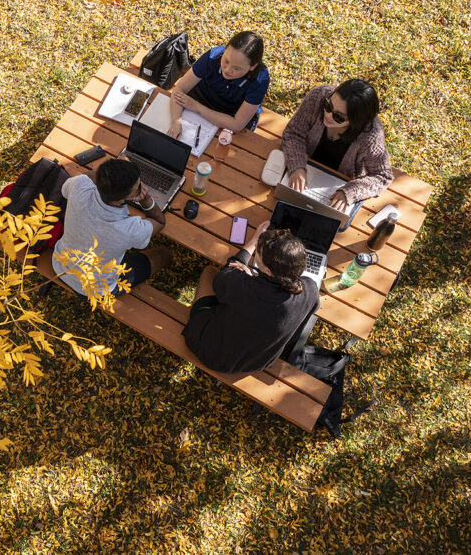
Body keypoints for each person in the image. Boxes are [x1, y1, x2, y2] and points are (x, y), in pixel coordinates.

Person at [181, 221, 318, 373]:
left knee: (210, 271)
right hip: (256, 362)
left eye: (258, 252)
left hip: (210, 352)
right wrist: (253, 280)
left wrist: (253, 242)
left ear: (268, 271)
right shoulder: (310, 291)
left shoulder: (242, 287)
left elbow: (221, 279)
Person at [52, 159, 171, 297]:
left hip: (60, 265)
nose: (142, 187)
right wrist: (145, 198)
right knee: (163, 253)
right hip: (95, 289)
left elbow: (67, 188)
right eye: (137, 189)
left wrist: (110, 172)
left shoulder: (79, 186)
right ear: (118, 201)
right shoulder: (130, 230)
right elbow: (160, 221)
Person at [280, 79, 394, 210]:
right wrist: (297, 166)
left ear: (356, 121)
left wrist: (349, 192)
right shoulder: (319, 96)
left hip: (335, 189)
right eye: (328, 106)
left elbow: (382, 176)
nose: (328, 115)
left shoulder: (371, 135)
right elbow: (293, 132)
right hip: (304, 167)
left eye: (339, 117)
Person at [168, 31, 270, 138]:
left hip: (230, 114)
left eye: (237, 68)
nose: (227, 70)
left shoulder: (260, 80)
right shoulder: (213, 56)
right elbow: (179, 89)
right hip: (200, 99)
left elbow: (236, 125)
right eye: (226, 60)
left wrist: (197, 107)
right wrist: (176, 121)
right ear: (225, 49)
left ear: (252, 67)